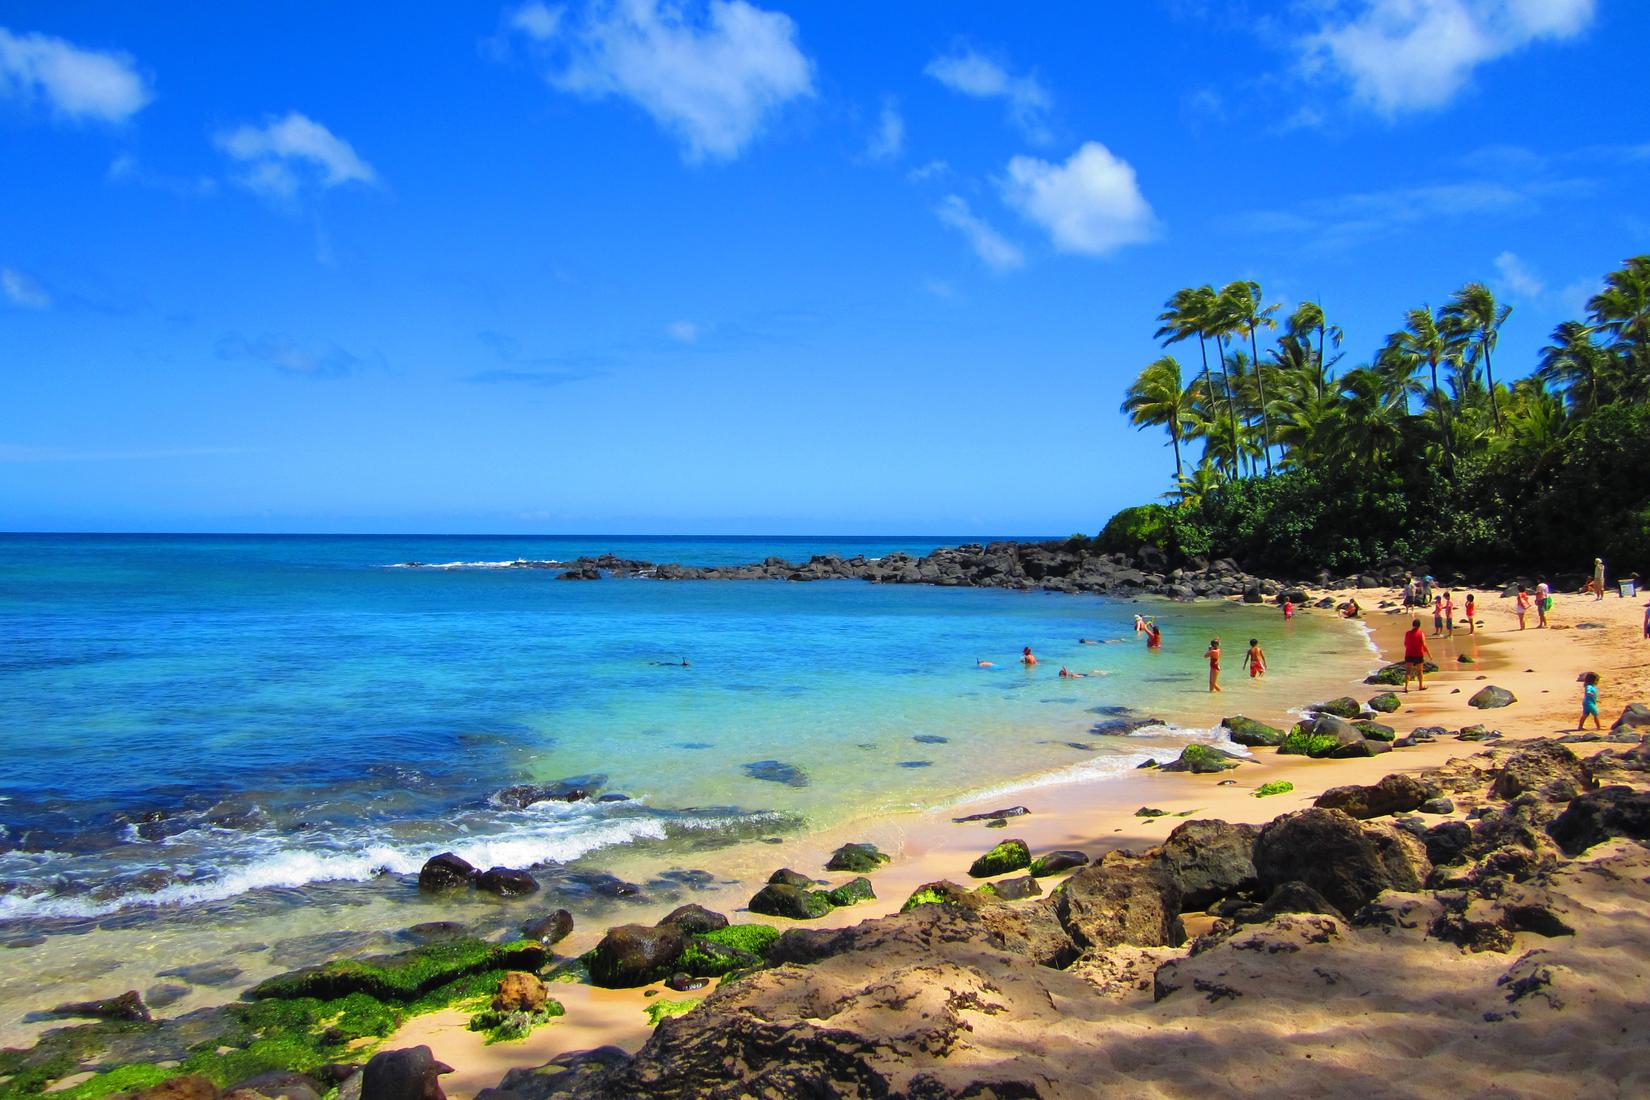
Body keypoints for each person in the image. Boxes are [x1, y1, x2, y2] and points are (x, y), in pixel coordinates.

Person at [1402, 617, 1430, 693]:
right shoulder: (1421, 633)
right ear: (1419, 626)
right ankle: (1420, 686)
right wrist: (1429, 654)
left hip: (1409, 654)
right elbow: (1424, 645)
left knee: (1408, 671)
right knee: (1419, 671)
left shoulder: (1407, 633)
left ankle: (1406, 687)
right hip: (1418, 654)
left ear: (1413, 625)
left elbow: (1405, 644)